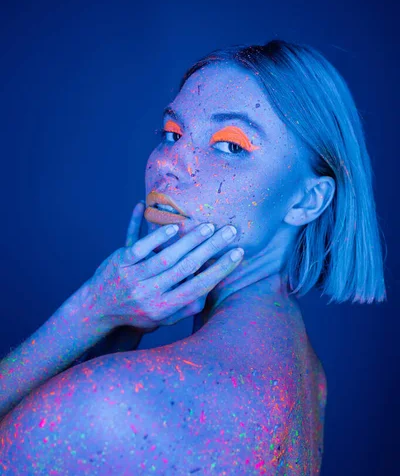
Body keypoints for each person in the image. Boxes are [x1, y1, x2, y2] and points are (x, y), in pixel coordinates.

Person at [0, 40, 386, 475]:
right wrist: (117, 331)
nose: (170, 162)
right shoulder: (307, 375)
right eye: (171, 133)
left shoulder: (110, 406)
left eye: (231, 146)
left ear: (308, 200)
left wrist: (85, 313)